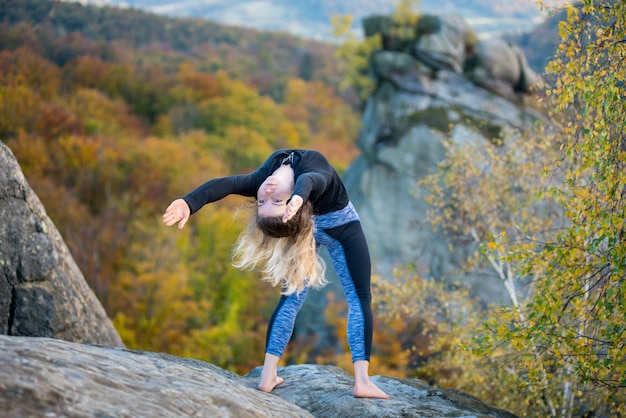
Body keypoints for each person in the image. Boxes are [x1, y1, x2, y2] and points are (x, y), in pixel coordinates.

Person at [162, 149, 389, 399]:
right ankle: (272, 376)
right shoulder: (312, 167)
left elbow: (226, 184)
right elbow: (312, 179)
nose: (267, 195)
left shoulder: (267, 177)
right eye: (275, 202)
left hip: (319, 219)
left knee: (346, 298)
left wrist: (188, 202)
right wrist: (298, 199)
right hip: (322, 224)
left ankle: (349, 380)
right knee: (311, 297)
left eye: (263, 202)